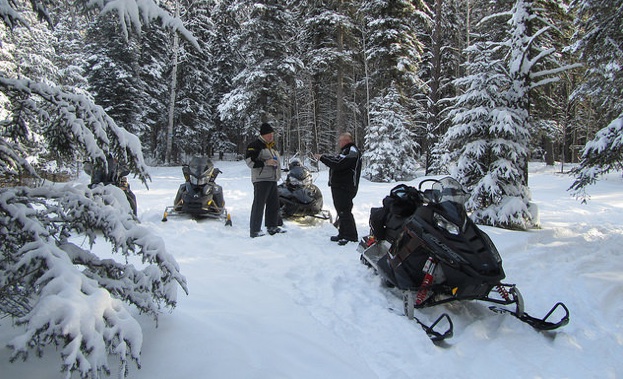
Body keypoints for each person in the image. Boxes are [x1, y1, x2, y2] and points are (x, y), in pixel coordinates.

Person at [314, 132, 362, 245]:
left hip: (346, 186)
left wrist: (323, 158)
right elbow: (337, 160)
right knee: (340, 210)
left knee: (345, 210)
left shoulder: (352, 151)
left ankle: (351, 236)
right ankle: (343, 233)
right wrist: (324, 157)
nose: (339, 143)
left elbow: (339, 164)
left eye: (341, 141)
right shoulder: (346, 151)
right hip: (339, 186)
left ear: (347, 140)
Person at [245, 122, 286, 238]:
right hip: (261, 179)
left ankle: (272, 226)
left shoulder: (272, 146)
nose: (271, 136)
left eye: (272, 134)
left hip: (273, 179)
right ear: (263, 135)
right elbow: (250, 162)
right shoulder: (255, 145)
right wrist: (265, 162)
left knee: (274, 204)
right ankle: (255, 230)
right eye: (269, 135)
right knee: (259, 204)